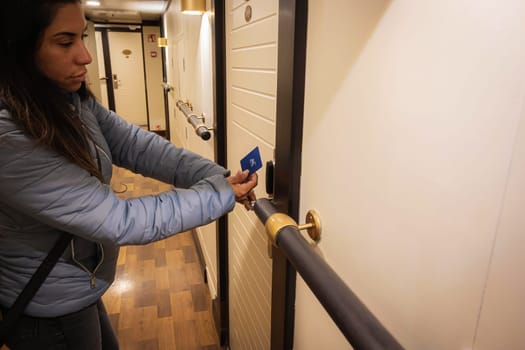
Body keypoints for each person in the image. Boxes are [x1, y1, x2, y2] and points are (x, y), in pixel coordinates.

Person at [0, 0, 258, 349]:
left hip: (77, 286)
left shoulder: (66, 99)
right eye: (65, 42)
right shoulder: (11, 133)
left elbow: (138, 146)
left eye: (83, 37)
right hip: (47, 308)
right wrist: (221, 194)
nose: (85, 56)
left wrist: (216, 175)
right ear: (18, 47)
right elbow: (120, 219)